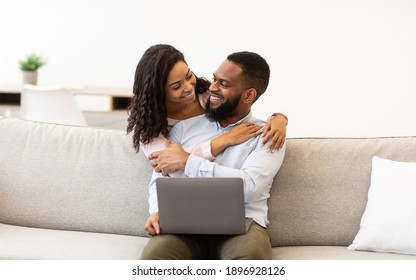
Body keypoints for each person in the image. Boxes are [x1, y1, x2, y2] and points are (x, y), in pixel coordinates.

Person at [141, 51, 285, 260]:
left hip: (242, 224)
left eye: (223, 84)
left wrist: (189, 162)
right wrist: (157, 210)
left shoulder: (268, 135)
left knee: (251, 257)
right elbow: (161, 177)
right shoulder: (183, 129)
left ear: (248, 95)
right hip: (185, 221)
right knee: (155, 256)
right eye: (215, 79)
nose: (212, 87)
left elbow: (248, 187)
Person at [126, 44, 288, 164]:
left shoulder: (206, 94)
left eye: (189, 76)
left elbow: (239, 109)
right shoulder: (148, 126)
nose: (189, 88)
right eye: (176, 86)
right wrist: (224, 140)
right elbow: (165, 162)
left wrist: (278, 119)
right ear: (158, 92)